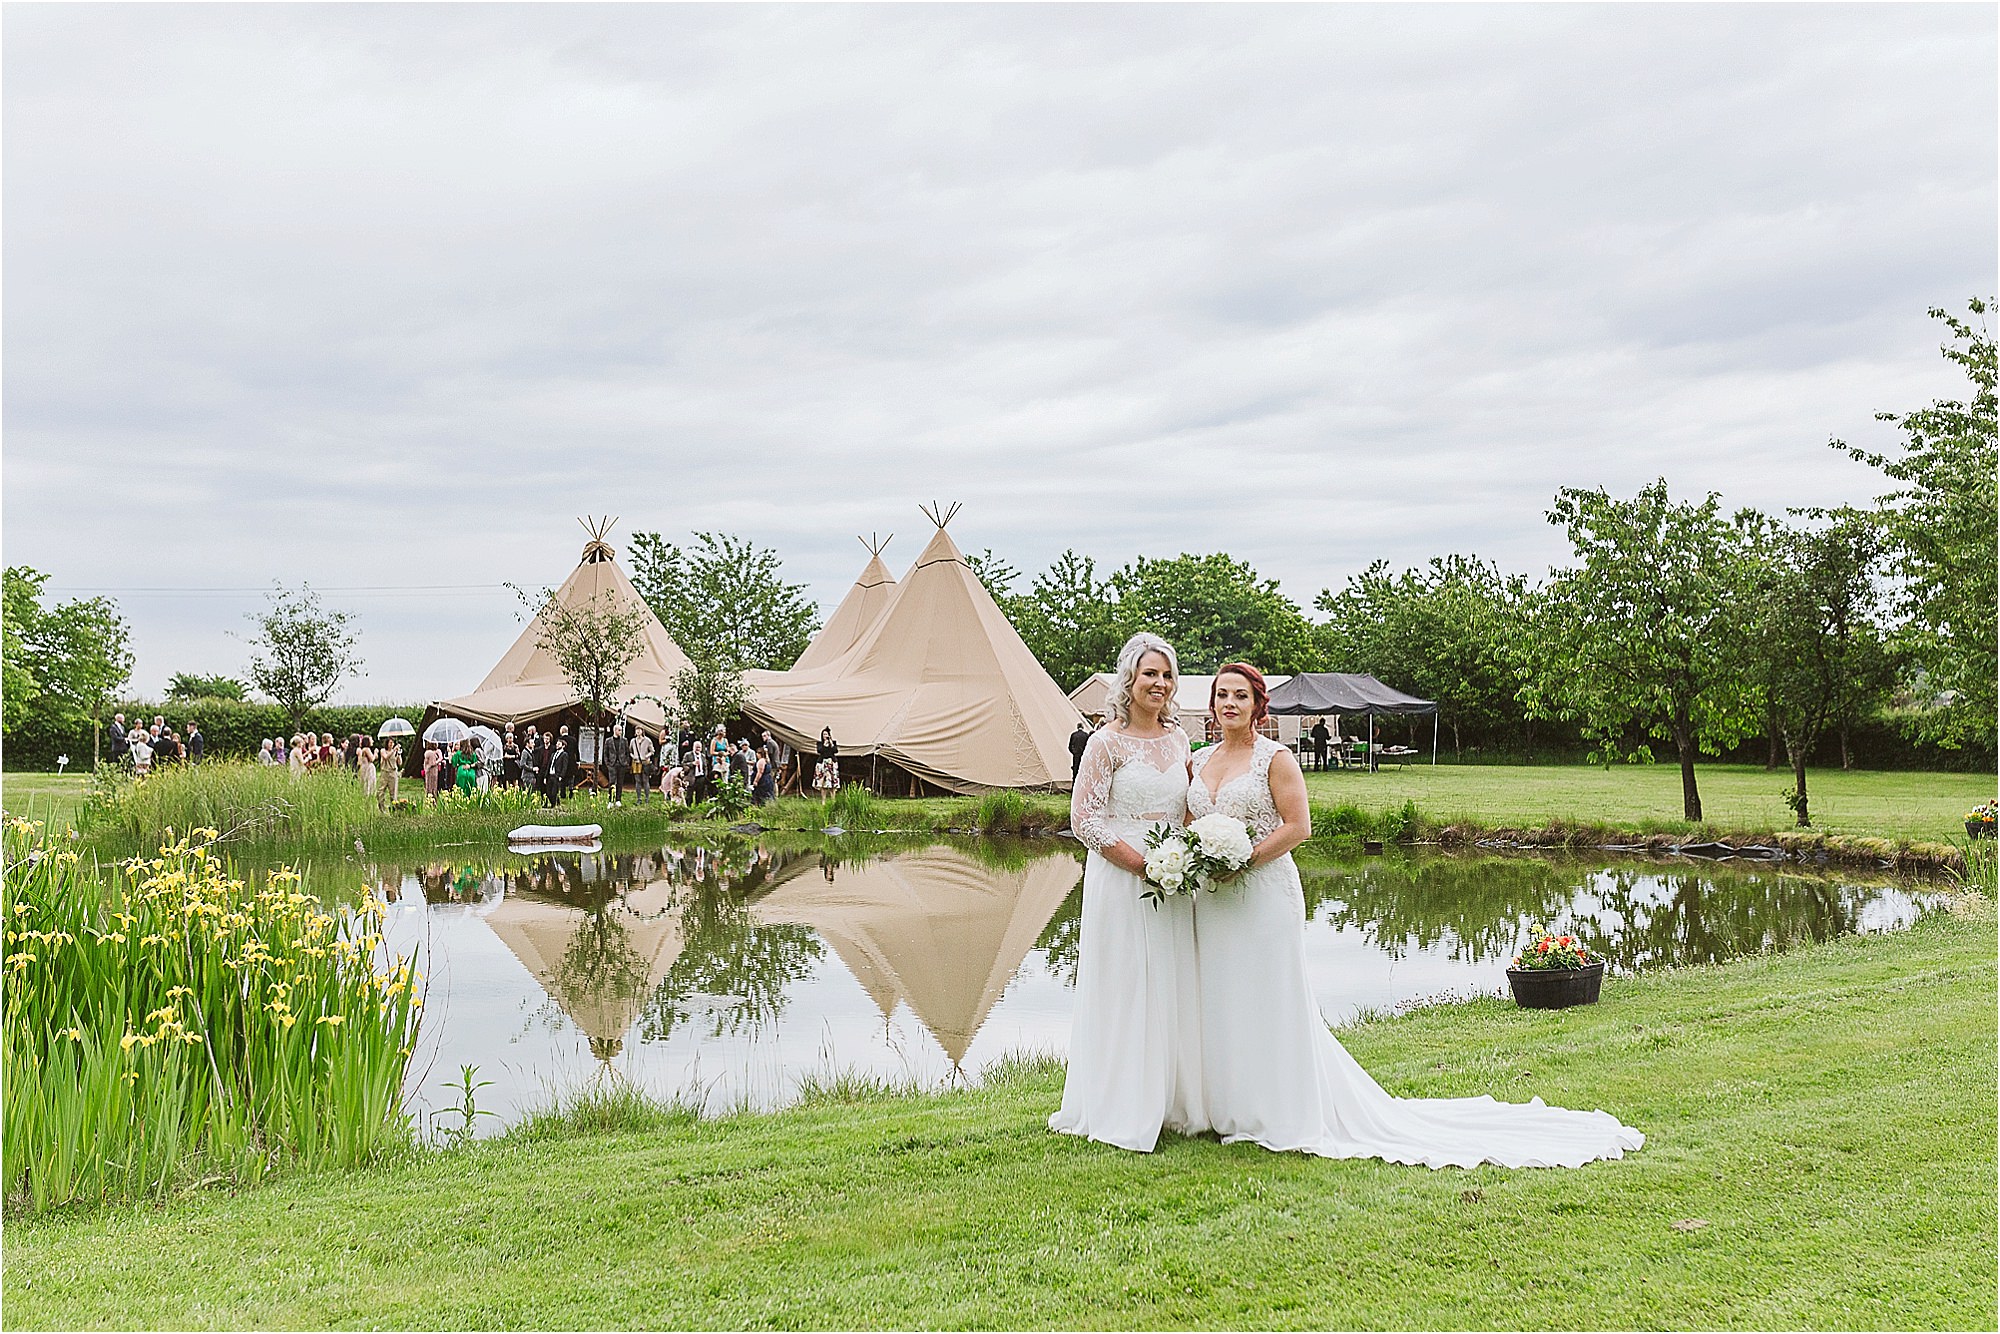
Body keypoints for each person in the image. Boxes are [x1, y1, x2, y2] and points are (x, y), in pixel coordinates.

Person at [1185, 663, 1642, 1167]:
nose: (1229, 703)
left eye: (1240, 696)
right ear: (1212, 703)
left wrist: (1244, 858)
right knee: (1221, 992)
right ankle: (1226, 1105)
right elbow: (1191, 822)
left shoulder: (1276, 758)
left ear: (1257, 704)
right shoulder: (1200, 759)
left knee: (1270, 995)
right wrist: (1196, 859)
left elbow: (1297, 827)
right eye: (1221, 695)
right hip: (1212, 898)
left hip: (1262, 894)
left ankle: (1275, 1109)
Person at [1048, 632, 1202, 1153]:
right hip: (1121, 876)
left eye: (1166, 675)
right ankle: (1121, 1103)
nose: (1159, 684)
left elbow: (1187, 803)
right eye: (1149, 674)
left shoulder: (1179, 739)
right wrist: (1142, 865)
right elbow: (1083, 819)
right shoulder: (1105, 742)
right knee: (1125, 981)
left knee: (1170, 978)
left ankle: (1170, 1101)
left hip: (1173, 874)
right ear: (1128, 681)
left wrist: (1182, 857)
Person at [603, 724, 631, 807]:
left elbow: (627, 752)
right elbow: (606, 753)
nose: (621, 732)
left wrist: (626, 762)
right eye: (619, 730)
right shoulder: (608, 741)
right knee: (612, 782)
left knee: (620, 782)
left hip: (622, 764)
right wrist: (607, 763)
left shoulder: (624, 740)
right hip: (612, 764)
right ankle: (611, 800)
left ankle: (618, 799)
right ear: (615, 730)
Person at [630, 727, 656, 804]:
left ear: (642, 731)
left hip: (645, 762)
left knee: (645, 780)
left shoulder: (647, 740)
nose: (638, 731)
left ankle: (647, 798)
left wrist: (646, 756)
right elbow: (630, 751)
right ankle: (639, 799)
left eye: (639, 730)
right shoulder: (633, 741)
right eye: (636, 730)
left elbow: (652, 751)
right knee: (637, 781)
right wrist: (633, 756)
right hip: (636, 762)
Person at [814, 728, 839, 794]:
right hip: (822, 763)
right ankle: (823, 801)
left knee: (832, 783)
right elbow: (819, 751)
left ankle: (833, 800)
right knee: (823, 783)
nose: (825, 736)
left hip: (831, 763)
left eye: (826, 734)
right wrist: (824, 745)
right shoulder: (820, 743)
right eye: (824, 734)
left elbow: (835, 751)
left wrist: (831, 743)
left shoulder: (833, 743)